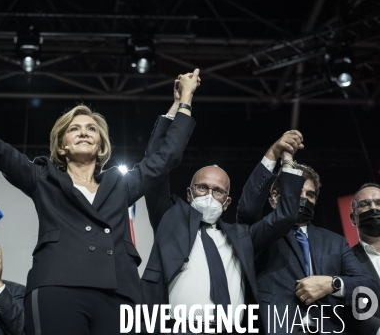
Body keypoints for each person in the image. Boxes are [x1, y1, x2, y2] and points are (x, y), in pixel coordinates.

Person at [0, 57, 200, 335]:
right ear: (62, 145)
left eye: (92, 128)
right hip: (57, 288)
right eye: (74, 129)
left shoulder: (121, 184)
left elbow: (167, 157)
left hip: (118, 292)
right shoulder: (42, 177)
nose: (84, 132)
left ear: (101, 144)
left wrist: (183, 102)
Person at [140, 125, 306, 334]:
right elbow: (155, 171)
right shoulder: (169, 220)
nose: (209, 194)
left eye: (218, 191)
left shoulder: (242, 236)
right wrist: (178, 109)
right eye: (202, 187)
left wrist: (282, 158)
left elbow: (285, 216)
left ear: (226, 202)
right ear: (189, 194)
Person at [238, 158, 380, 334]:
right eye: (297, 192)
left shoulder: (335, 241)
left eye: (310, 194)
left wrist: (333, 283)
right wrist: (273, 156)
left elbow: (369, 286)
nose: (304, 199)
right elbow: (247, 209)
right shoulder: (261, 234)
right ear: (275, 196)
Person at [345, 183, 380, 334]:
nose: (374, 208)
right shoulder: (345, 261)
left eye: (379, 203)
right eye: (365, 204)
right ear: (353, 218)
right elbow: (350, 308)